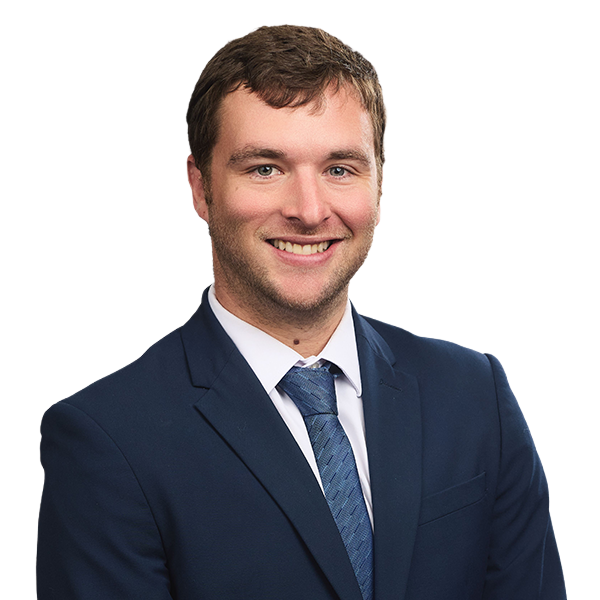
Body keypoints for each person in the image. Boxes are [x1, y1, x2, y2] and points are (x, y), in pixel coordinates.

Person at [36, 24, 566, 600]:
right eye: (265, 168)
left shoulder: (474, 394)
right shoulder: (107, 439)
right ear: (199, 187)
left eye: (340, 169)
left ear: (379, 185)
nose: (309, 211)